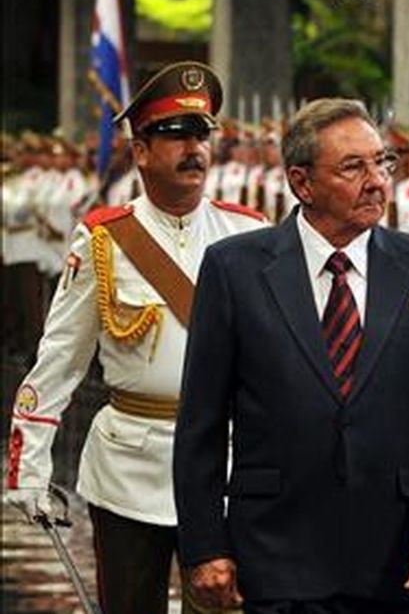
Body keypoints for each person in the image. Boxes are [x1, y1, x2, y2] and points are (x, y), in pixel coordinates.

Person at [173, 97, 409, 613]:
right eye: (353, 167)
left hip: (399, 563)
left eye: (382, 162)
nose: (377, 180)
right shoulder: (236, 269)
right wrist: (204, 547)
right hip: (274, 557)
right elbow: (201, 420)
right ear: (302, 182)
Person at [4, 61, 267, 614]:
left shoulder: (250, 234)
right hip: (130, 466)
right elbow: (59, 357)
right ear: (141, 150)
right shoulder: (105, 239)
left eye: (201, 135)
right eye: (175, 135)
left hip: (226, 463)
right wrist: (28, 467)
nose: (193, 148)